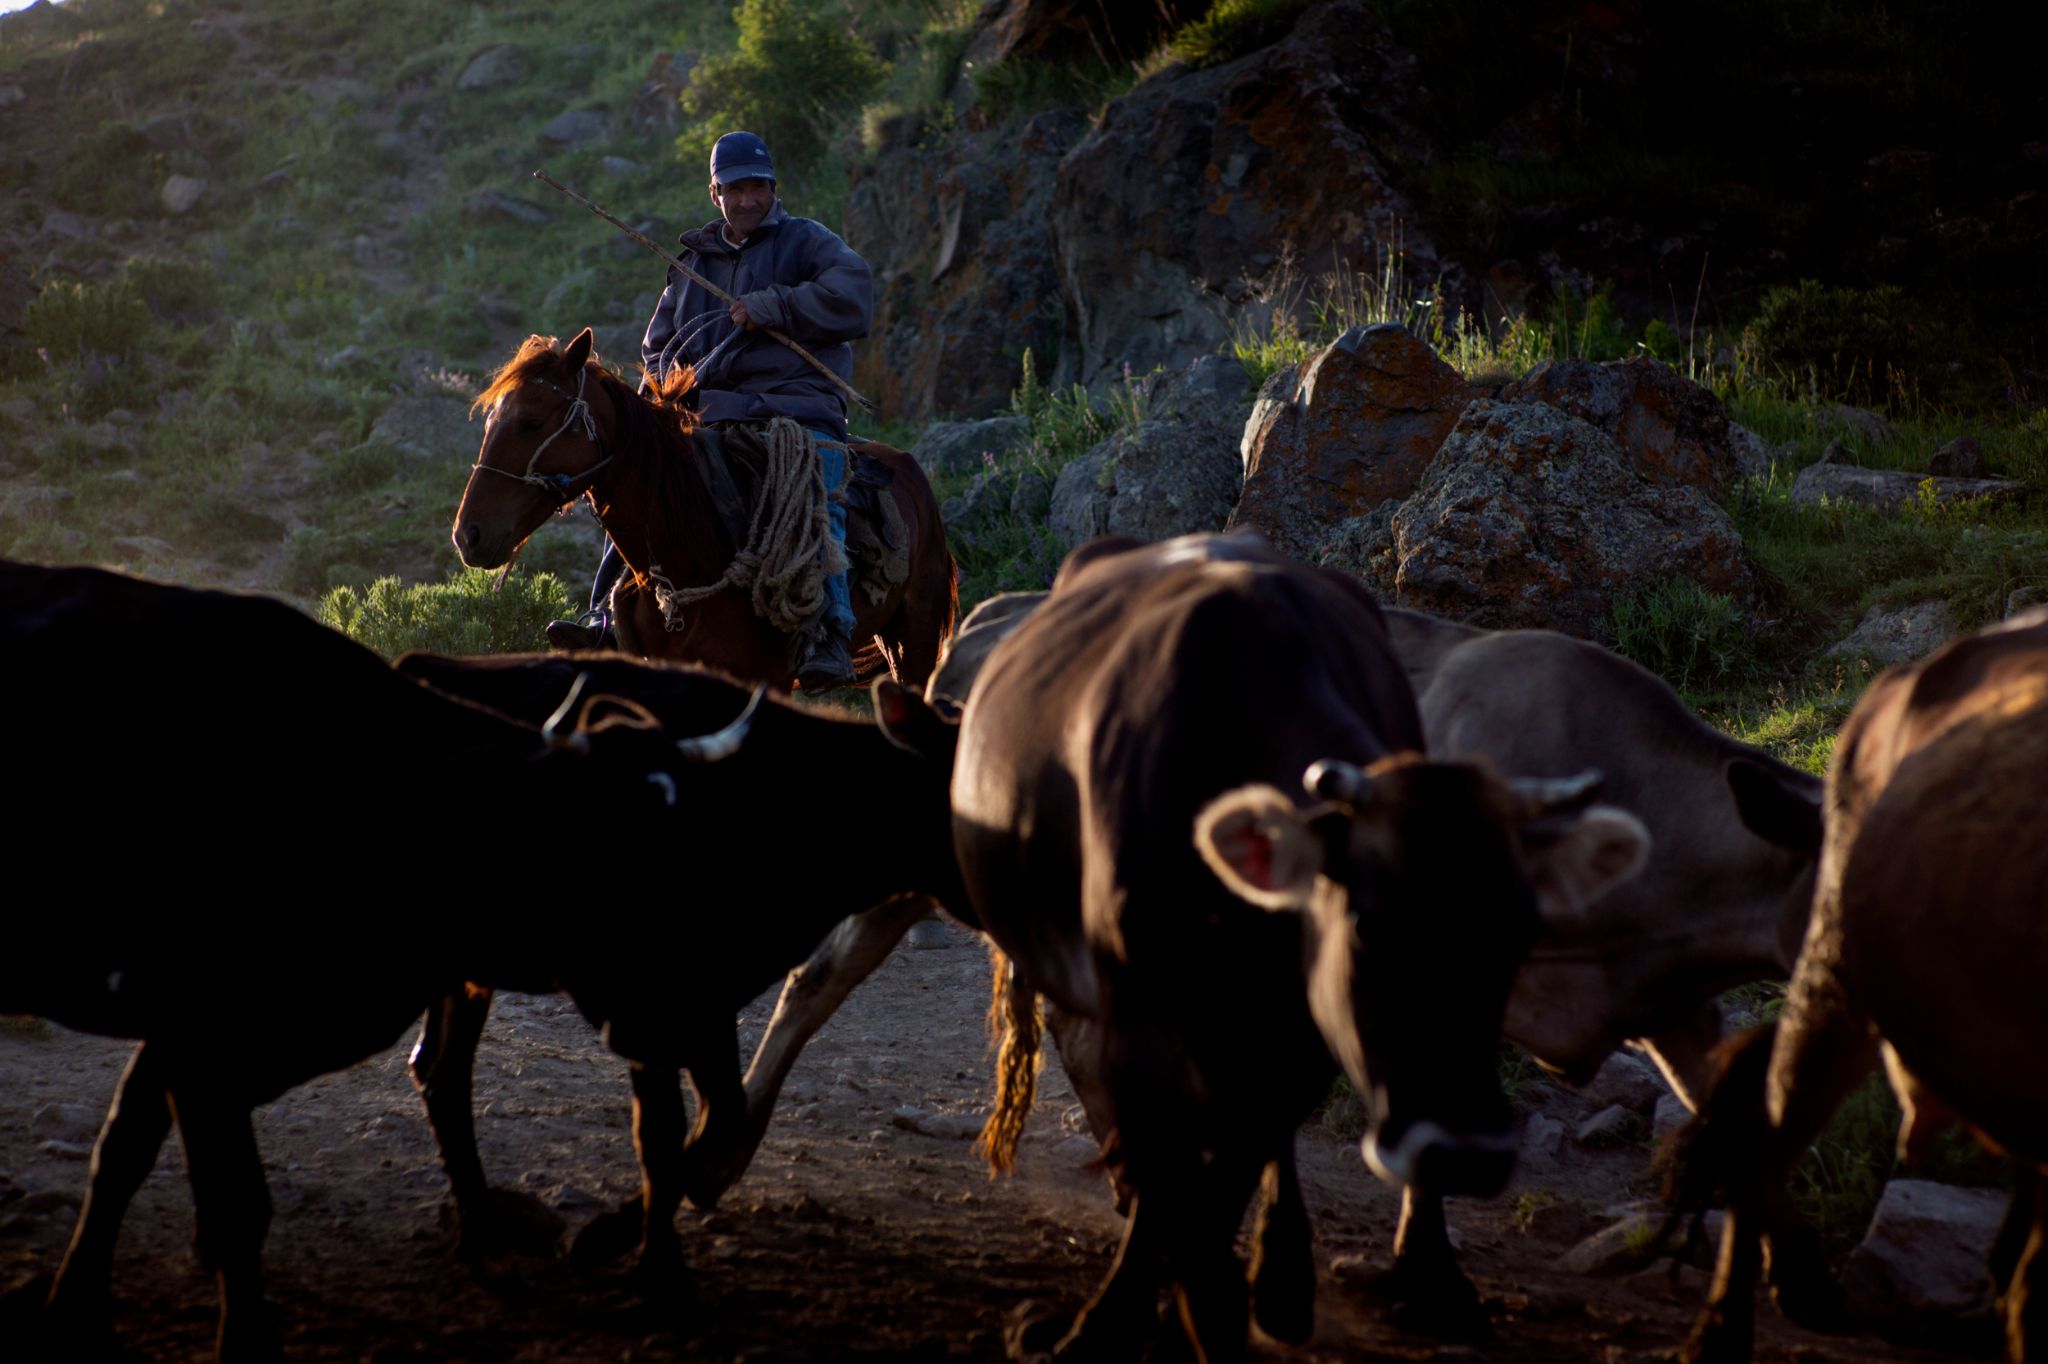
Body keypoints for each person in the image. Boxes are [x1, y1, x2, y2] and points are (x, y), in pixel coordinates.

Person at [548, 130, 873, 689]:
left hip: (797, 406)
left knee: (817, 475)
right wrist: (680, 383)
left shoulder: (807, 242)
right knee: (640, 487)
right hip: (712, 413)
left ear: (772, 188)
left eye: (757, 187)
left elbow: (854, 295)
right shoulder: (692, 263)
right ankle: (603, 613)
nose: (747, 199)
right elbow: (657, 347)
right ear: (713, 193)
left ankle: (829, 631)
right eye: (734, 188)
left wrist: (777, 305)